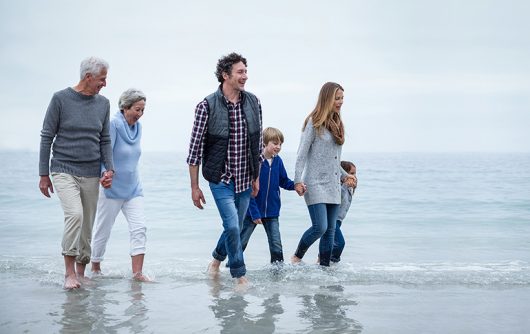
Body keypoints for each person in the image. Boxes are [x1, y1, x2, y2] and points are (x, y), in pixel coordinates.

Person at [186, 52, 262, 286]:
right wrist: (195, 187)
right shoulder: (206, 106)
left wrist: (256, 177)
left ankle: (216, 260)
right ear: (225, 75)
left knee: (236, 226)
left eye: (245, 71)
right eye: (240, 72)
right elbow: (194, 150)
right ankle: (239, 275)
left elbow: (257, 144)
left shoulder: (253, 102)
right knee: (231, 225)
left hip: (245, 177)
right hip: (221, 178)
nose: (245, 76)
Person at [39, 56, 114, 289]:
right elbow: (46, 136)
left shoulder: (103, 104)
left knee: (87, 223)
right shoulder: (60, 99)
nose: (105, 84)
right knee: (75, 215)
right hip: (63, 168)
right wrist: (43, 174)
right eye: (102, 79)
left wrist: (109, 168)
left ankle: (81, 272)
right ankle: (69, 273)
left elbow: (104, 139)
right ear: (88, 77)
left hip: (91, 171)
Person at [291, 82, 356, 267]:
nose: (341, 102)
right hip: (315, 183)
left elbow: (334, 160)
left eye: (342, 98)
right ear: (327, 99)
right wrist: (297, 181)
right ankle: (297, 257)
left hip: (333, 185)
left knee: (330, 231)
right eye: (337, 98)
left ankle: (324, 269)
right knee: (320, 227)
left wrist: (345, 175)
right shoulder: (314, 122)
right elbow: (301, 154)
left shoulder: (337, 124)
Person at [90, 89, 150, 282]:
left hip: (134, 188)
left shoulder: (138, 127)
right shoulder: (114, 124)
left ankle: (137, 274)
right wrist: (104, 174)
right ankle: (95, 267)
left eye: (142, 110)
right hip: (111, 188)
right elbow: (104, 154)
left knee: (140, 228)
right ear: (125, 108)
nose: (140, 114)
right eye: (137, 109)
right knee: (103, 229)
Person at [239, 127, 295, 264]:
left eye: (280, 144)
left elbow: (283, 181)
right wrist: (254, 213)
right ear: (264, 143)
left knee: (276, 244)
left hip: (272, 211)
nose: (278, 146)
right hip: (252, 212)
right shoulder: (255, 162)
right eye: (275, 143)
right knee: (242, 242)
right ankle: (232, 267)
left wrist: (296, 186)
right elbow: (247, 190)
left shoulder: (278, 161)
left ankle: (277, 275)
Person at [331, 161, 357, 263]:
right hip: (332, 219)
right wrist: (344, 184)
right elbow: (337, 198)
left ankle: (322, 261)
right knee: (340, 243)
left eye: (355, 173)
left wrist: (349, 186)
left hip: (339, 220)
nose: (354, 176)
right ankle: (332, 263)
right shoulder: (338, 186)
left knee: (331, 242)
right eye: (352, 173)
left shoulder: (349, 188)